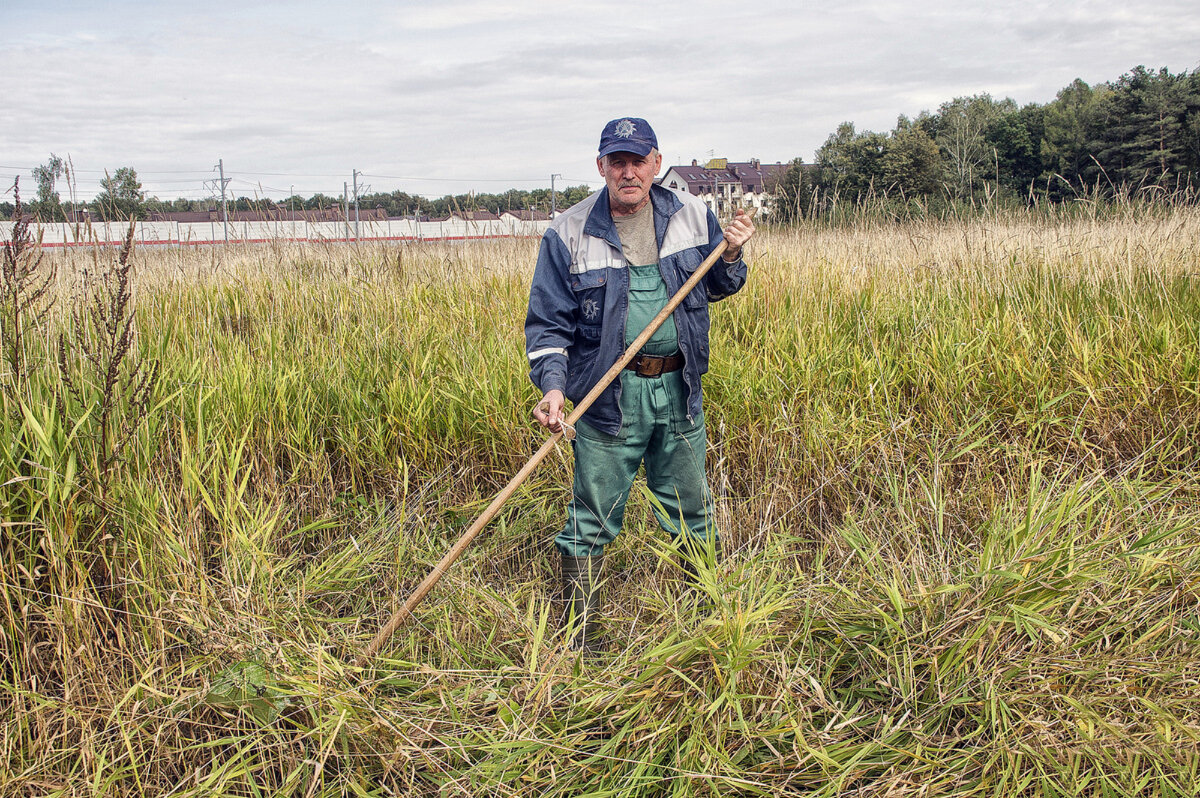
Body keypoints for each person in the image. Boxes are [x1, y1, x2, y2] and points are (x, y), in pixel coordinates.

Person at [525, 117, 755, 650]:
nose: (629, 172)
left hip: (679, 391)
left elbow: (720, 284)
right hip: (608, 398)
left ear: (656, 163)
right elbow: (548, 323)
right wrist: (554, 388)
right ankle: (582, 642)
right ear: (601, 166)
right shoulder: (568, 231)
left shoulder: (694, 214)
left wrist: (735, 250)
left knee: (690, 513)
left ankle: (706, 631)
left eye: (639, 160)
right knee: (591, 519)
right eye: (617, 161)